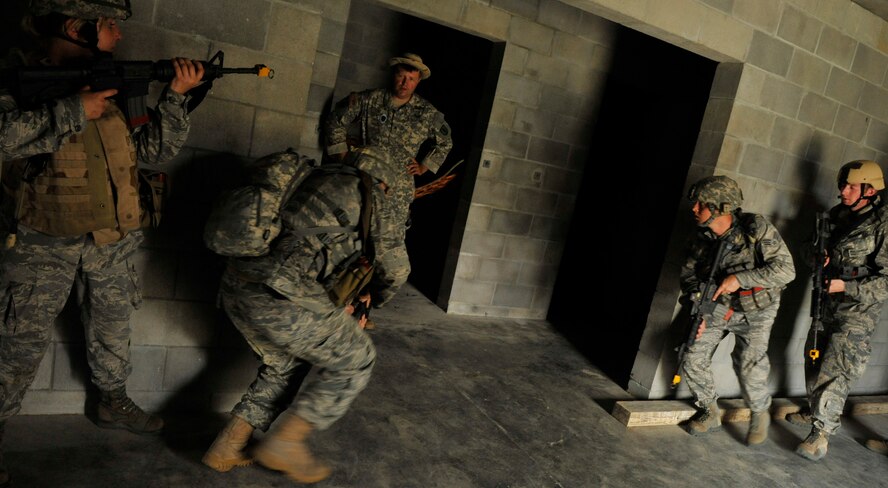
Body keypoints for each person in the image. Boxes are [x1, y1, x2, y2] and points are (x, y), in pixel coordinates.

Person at [0, 0, 203, 484]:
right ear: (78, 27)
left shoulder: (111, 81)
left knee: (112, 326)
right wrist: (73, 108)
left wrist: (176, 95)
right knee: (16, 345)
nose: (119, 34)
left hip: (109, 238)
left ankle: (112, 402)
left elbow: (154, 151)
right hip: (41, 239)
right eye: (110, 25)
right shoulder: (16, 78)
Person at [201, 147, 410, 484]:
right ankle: (287, 443)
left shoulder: (314, 176)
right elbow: (397, 269)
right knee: (358, 358)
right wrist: (376, 300)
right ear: (385, 182)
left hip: (236, 285)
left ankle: (228, 444)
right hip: (281, 295)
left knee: (286, 364)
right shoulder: (371, 194)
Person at [679, 175, 795, 446]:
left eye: (700, 205)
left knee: (748, 363)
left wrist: (740, 279)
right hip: (719, 307)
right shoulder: (700, 239)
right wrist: (700, 309)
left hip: (758, 308)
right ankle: (709, 411)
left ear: (721, 207)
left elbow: (786, 270)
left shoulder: (756, 228)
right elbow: (689, 277)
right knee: (692, 354)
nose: (694, 209)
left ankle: (759, 411)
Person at [789, 160, 888, 461]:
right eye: (842, 185)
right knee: (814, 360)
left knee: (836, 369)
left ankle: (821, 433)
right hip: (825, 303)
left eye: (851, 187)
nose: (843, 191)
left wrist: (846, 287)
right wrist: (818, 257)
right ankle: (816, 408)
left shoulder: (883, 224)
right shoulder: (836, 215)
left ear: (870, 191)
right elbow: (807, 247)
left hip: (857, 312)